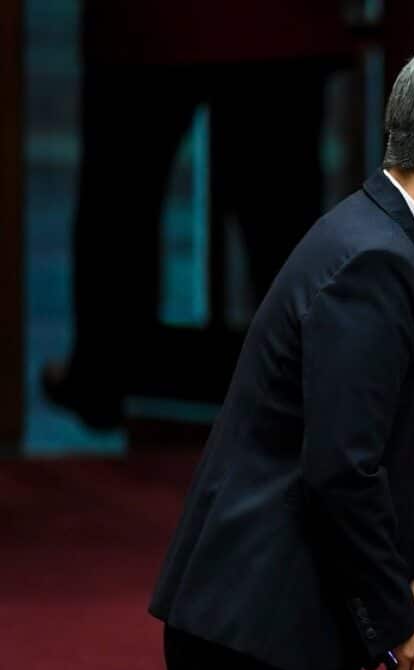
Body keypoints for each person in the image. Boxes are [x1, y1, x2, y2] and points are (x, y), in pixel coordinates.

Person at [149, 37, 414, 670]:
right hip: (258, 631)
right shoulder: (376, 260)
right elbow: (342, 466)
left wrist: (400, 584)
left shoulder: (384, 238)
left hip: (273, 622)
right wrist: (393, 616)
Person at [42, 0, 353, 429]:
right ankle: (306, 385)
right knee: (281, 219)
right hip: (278, 24)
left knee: (120, 207)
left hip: (148, 26)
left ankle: (103, 373)